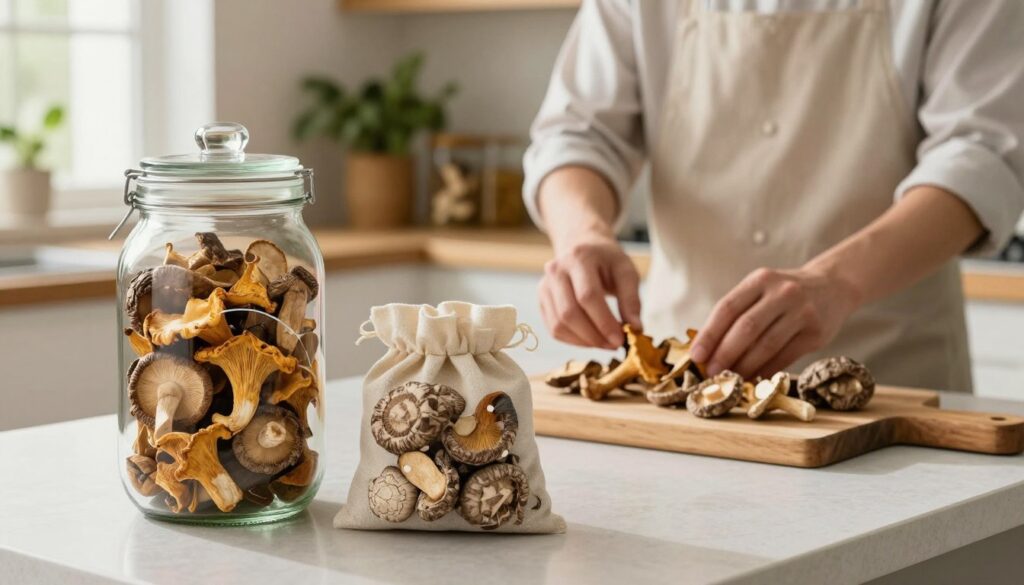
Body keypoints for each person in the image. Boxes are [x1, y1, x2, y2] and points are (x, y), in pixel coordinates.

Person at [523, 0, 1024, 391]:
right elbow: (578, 134)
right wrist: (581, 234)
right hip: (680, 381)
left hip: (893, 378)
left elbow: (982, 156)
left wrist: (837, 281)